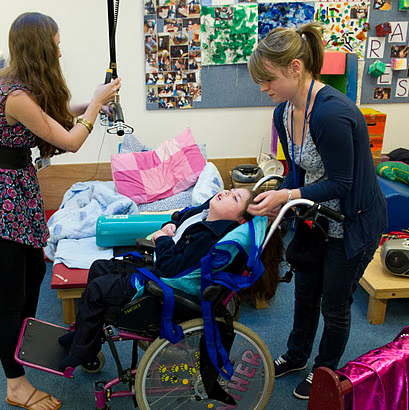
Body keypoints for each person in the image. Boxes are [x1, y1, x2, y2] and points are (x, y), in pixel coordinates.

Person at [0, 12, 121, 410]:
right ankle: (15, 385)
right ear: (40, 46)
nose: (59, 48)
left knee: (35, 272)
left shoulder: (12, 85)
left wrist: (90, 104)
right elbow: (70, 141)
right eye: (55, 42)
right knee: (10, 296)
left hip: (12, 190)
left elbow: (50, 117)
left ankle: (24, 344)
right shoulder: (15, 95)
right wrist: (97, 105)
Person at [247, 22, 387, 400]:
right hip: (317, 217)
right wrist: (274, 195)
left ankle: (327, 372)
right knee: (305, 292)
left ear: (296, 67)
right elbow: (296, 170)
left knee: (334, 304)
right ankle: (296, 355)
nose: (264, 89)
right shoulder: (284, 113)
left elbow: (342, 184)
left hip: (353, 220)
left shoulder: (330, 113)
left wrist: (287, 196)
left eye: (268, 79)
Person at [58, 188, 282, 369]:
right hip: (157, 269)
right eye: (230, 189)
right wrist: (170, 224)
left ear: (241, 220)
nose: (225, 192)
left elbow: (171, 269)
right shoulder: (208, 215)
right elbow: (183, 214)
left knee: (98, 289)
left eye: (235, 197)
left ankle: (82, 351)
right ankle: (86, 334)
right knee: (98, 267)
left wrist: (162, 239)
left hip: (164, 287)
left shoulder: (209, 239)